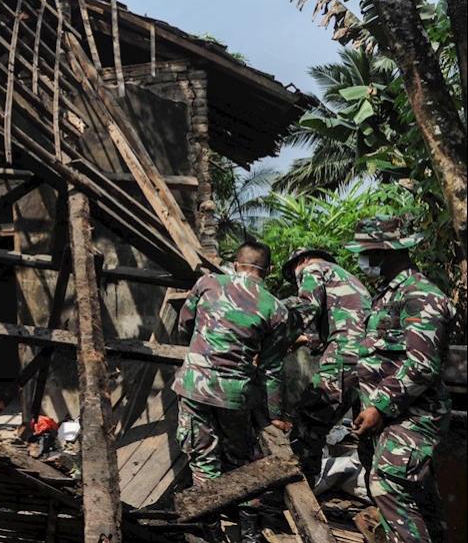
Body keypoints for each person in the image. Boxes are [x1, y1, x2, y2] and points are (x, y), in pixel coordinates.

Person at [174, 241, 292, 543]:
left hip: (194, 387)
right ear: (268, 270)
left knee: (203, 462)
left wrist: (200, 353)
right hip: (235, 395)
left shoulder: (208, 283)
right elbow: (272, 370)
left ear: (235, 263)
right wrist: (274, 416)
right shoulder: (276, 308)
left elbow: (184, 326)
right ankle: (250, 535)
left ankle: (212, 535)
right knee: (242, 463)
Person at [345, 216, 451, 543]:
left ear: (389, 252)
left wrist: (378, 406)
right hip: (390, 416)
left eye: (370, 253)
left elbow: (421, 365)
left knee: (388, 484)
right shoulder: (387, 295)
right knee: (417, 497)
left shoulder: (422, 296)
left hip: (415, 415)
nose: (365, 261)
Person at [280, 247, 372, 482]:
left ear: (301, 261)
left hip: (344, 356)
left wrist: (274, 326)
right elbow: (338, 326)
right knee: (368, 433)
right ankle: (383, 501)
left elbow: (307, 308)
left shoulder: (312, 268)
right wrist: (300, 340)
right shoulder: (349, 280)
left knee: (307, 425)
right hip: (371, 361)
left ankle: (301, 492)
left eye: (294, 274)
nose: (297, 280)